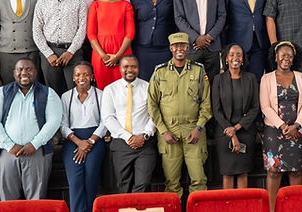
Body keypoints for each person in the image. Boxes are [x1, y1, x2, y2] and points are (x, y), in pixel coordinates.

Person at [0, 58, 61, 200]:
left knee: (36, 199)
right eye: (20, 69)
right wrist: (9, 146)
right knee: (8, 200)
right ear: (14, 73)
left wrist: (34, 144)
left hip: (37, 152)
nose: (24, 73)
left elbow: (54, 122)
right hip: (6, 153)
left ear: (36, 71)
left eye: (29, 69)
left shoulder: (48, 93)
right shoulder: (2, 93)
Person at [148, 32, 213, 197]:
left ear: (188, 47)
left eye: (183, 46)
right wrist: (164, 131)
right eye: (176, 46)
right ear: (171, 48)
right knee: (171, 183)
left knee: (199, 180)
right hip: (169, 131)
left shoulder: (198, 70)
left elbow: (206, 104)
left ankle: (197, 208)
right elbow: (152, 105)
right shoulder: (160, 72)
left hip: (193, 129)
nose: (179, 49)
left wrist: (199, 128)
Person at [260, 41, 302, 211]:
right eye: (282, 55)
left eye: (290, 55)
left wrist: (296, 125)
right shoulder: (266, 78)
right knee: (274, 171)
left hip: (297, 132)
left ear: (294, 58)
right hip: (273, 132)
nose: (286, 58)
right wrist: (283, 126)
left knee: (296, 171)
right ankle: (271, 209)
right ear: (275, 57)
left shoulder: (301, 77)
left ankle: (295, 208)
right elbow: (265, 106)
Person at [100, 55, 157, 193]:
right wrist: (128, 137)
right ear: (120, 68)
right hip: (121, 143)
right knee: (123, 185)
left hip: (145, 143)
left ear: (138, 68)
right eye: (126, 67)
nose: (130, 70)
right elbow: (108, 118)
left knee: (142, 184)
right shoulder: (110, 89)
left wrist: (144, 135)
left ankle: (138, 205)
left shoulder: (148, 87)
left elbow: (154, 115)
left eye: (133, 67)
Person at [33, 0, 89, 95]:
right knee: (53, 93)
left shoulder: (79, 1)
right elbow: (36, 31)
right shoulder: (42, 3)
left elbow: (82, 28)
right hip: (49, 53)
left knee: (75, 91)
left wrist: (70, 52)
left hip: (73, 53)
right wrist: (48, 54)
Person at [211, 44, 260, 189]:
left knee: (243, 173)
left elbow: (255, 107)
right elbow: (216, 110)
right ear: (226, 59)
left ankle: (242, 203)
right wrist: (231, 132)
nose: (235, 58)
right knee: (227, 173)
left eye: (239, 54)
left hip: (245, 131)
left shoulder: (251, 78)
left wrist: (237, 128)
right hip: (224, 131)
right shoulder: (218, 79)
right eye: (232, 54)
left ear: (243, 59)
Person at [60, 62, 107, 212]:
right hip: (73, 140)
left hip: (95, 139)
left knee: (90, 179)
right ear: (73, 78)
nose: (82, 78)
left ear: (92, 76)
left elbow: (105, 122)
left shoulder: (101, 95)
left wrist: (91, 141)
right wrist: (79, 142)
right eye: (78, 75)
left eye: (86, 74)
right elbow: (63, 124)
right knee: (75, 181)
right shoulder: (66, 97)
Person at [174, 0, 227, 79]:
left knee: (213, 82)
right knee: (190, 82)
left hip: (212, 46)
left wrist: (209, 37)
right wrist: (196, 38)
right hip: (192, 47)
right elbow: (179, 18)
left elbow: (222, 16)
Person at [223, 0, 270, 79]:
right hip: (237, 40)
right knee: (237, 78)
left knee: (256, 78)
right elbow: (224, 14)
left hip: (258, 41)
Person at [87, 0, 135, 89]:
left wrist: (118, 56)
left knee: (123, 89)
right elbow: (91, 34)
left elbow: (130, 33)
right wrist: (103, 56)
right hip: (100, 54)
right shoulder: (95, 5)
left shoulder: (126, 5)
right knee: (102, 89)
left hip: (122, 52)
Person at [131, 0, 177, 81]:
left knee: (165, 81)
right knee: (144, 82)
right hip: (142, 49)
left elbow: (176, 22)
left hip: (165, 48)